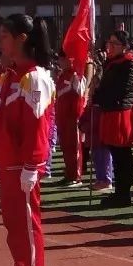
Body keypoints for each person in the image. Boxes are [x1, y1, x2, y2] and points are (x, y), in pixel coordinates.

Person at [0, 14, 56, 266]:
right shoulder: (11, 75)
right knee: (13, 224)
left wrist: (33, 165)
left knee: (26, 223)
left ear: (21, 39)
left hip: (22, 164)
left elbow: (38, 124)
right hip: (7, 162)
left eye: (4, 35)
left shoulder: (34, 77)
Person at [93, 31, 133, 207]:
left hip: (120, 112)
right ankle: (120, 192)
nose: (109, 47)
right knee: (116, 153)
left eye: (114, 44)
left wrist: (100, 96)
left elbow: (122, 90)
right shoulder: (111, 64)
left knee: (122, 155)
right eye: (109, 43)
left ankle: (123, 193)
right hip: (110, 111)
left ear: (124, 46)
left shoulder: (129, 65)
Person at [55, 54, 90, 185]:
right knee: (65, 147)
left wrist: (81, 76)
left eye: (62, 58)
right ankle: (69, 174)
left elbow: (81, 93)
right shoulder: (62, 75)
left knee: (74, 146)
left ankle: (76, 176)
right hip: (63, 118)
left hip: (73, 117)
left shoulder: (75, 75)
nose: (60, 61)